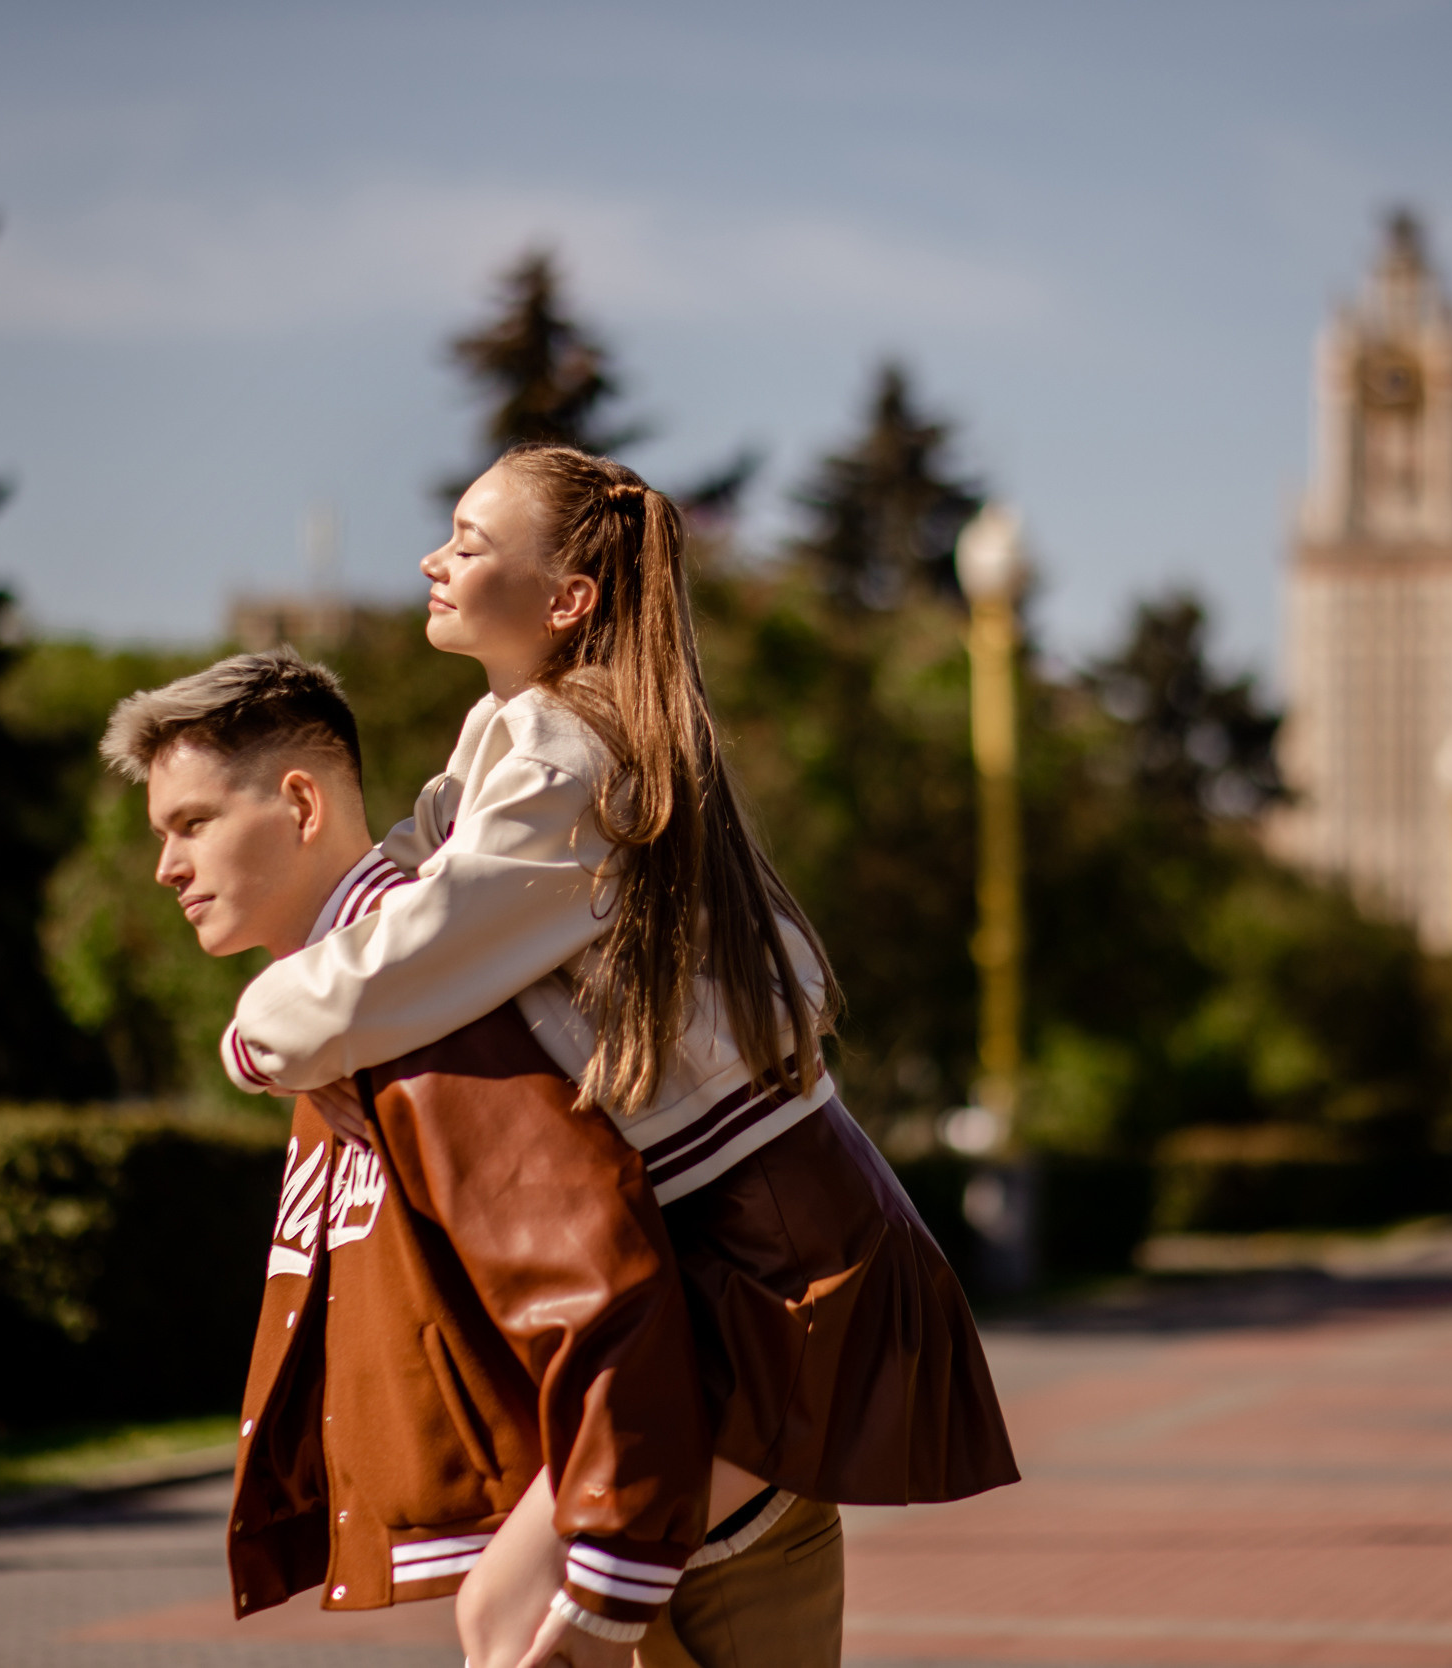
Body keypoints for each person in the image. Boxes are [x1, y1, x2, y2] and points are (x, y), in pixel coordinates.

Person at [225, 444, 1020, 1668]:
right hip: (744, 1253)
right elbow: (401, 878)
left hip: (779, 1265)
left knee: (521, 1616)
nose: (434, 560)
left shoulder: (566, 756)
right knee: (552, 1614)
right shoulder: (510, 734)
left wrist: (264, 1024)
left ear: (569, 599)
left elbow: (422, 946)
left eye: (471, 542)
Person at [98, 654, 713, 1652]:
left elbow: (596, 1280)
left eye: (193, 824)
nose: (167, 866)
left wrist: (598, 1578)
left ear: (301, 805)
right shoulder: (332, 1019)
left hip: (628, 1549)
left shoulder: (417, 1002)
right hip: (600, 1524)